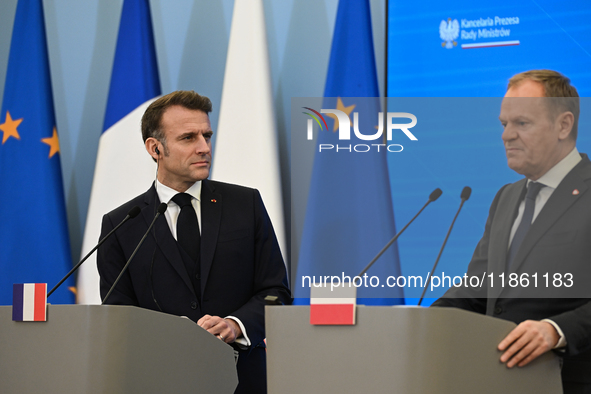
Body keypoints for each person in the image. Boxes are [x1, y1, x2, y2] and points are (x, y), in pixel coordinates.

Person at [97, 90, 291, 394]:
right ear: (155, 148)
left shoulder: (245, 204)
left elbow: (275, 292)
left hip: (244, 380)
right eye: (189, 138)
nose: (204, 148)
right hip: (160, 382)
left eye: (207, 136)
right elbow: (119, 316)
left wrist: (235, 324)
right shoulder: (122, 224)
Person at [432, 70, 591, 393]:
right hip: (496, 380)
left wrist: (557, 329)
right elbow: (476, 292)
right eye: (504, 124)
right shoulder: (505, 197)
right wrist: (411, 324)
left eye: (522, 123)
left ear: (563, 125)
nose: (506, 135)